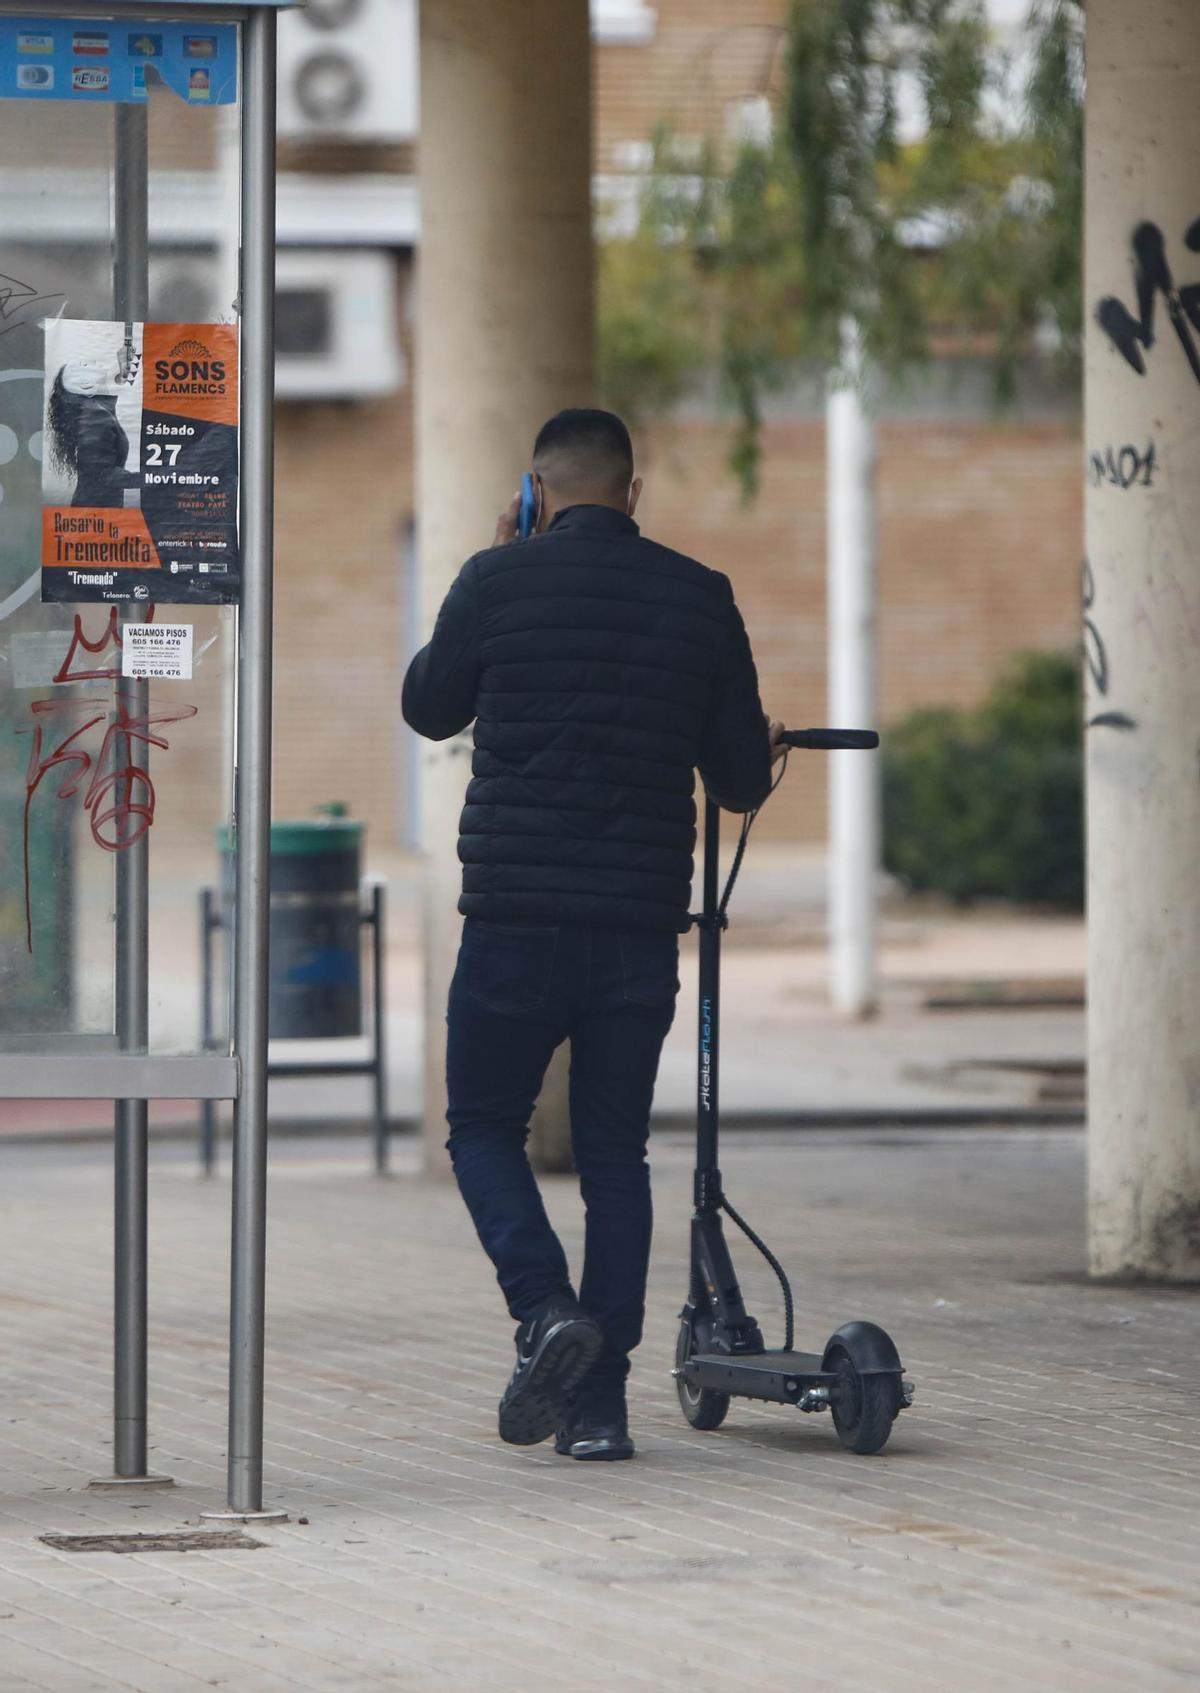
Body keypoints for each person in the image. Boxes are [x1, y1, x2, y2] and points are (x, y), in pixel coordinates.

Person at [403, 408, 781, 1462]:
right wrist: (761, 743)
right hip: (633, 925)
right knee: (616, 1153)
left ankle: (542, 1312)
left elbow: (429, 708)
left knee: (482, 1126)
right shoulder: (701, 597)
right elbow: (742, 779)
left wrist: (496, 558)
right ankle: (600, 1408)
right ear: (632, 488)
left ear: (537, 489)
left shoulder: (495, 579)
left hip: (515, 919)